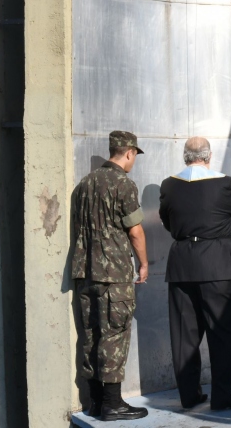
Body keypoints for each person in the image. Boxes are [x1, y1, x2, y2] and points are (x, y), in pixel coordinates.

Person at [159, 137, 231, 411]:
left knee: (184, 334)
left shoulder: (168, 184)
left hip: (182, 266)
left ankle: (189, 396)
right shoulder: (223, 182)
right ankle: (223, 395)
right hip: (219, 265)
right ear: (209, 156)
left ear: (185, 156)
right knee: (224, 332)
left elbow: (167, 221)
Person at [71, 130, 149, 421]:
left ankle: (96, 402)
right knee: (115, 335)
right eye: (134, 157)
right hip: (113, 274)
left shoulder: (84, 184)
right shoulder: (123, 184)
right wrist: (143, 263)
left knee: (91, 335)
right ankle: (113, 404)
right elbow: (135, 230)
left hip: (84, 273)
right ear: (129, 152)